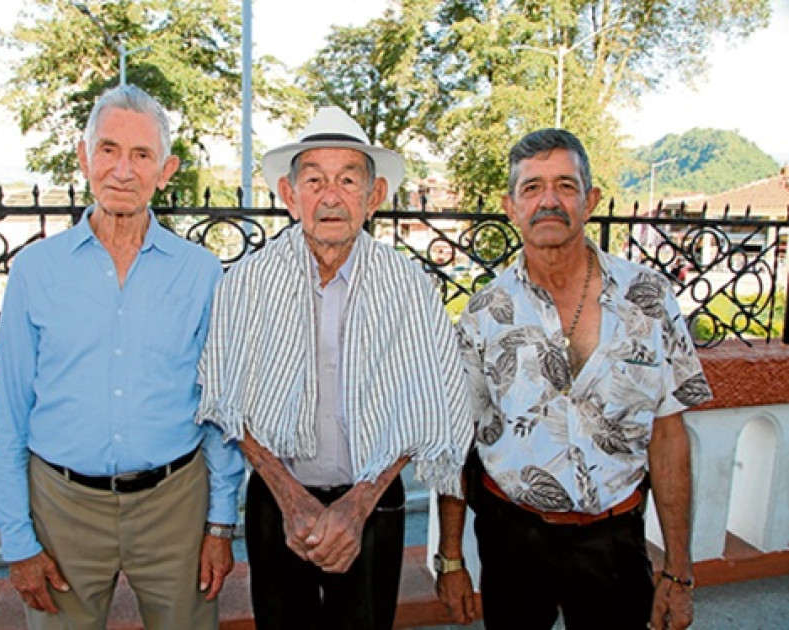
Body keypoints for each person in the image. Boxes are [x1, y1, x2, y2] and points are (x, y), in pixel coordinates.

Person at [198, 106, 474, 630]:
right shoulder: (247, 282)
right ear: (289, 194)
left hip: (374, 502)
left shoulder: (408, 286)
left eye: (348, 180)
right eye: (315, 180)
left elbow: (430, 402)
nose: (330, 196)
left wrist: (358, 504)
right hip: (276, 500)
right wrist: (291, 498)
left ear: (374, 197)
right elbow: (227, 399)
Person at [436, 128, 713, 630]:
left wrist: (679, 570)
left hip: (613, 541)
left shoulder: (649, 299)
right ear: (510, 206)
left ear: (590, 200)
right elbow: (457, 443)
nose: (549, 201)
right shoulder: (483, 313)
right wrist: (451, 559)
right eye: (532, 188)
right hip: (510, 538)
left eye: (565, 186)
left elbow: (670, 437)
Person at [0, 84, 245, 630]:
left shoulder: (200, 273)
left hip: (174, 506)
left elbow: (219, 407)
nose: (122, 171)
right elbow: (11, 413)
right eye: (108, 149)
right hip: (61, 509)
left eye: (141, 155)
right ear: (84, 158)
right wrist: (17, 540)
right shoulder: (36, 271)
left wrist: (220, 523)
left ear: (166, 169)